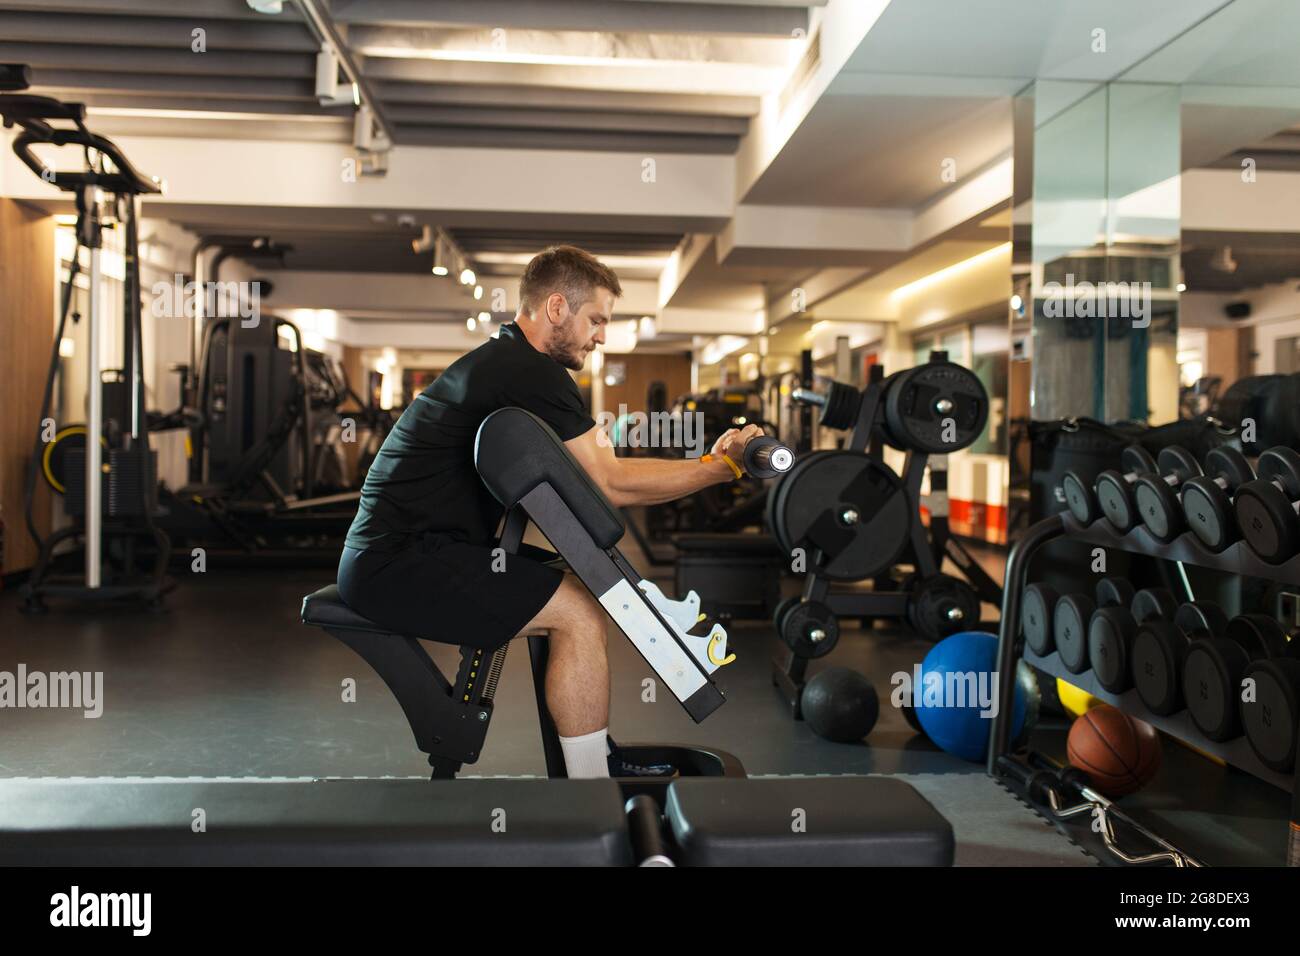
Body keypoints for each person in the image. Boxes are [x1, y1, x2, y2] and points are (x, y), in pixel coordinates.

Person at [338, 245, 762, 778]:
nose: (602, 335)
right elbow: (608, 483)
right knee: (578, 614)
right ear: (557, 308)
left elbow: (587, 471)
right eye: (597, 320)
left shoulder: (509, 362)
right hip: (397, 564)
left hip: (415, 552)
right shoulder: (529, 371)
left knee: (578, 594)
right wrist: (718, 468)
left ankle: (589, 762)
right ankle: (589, 787)